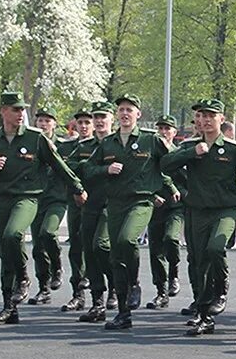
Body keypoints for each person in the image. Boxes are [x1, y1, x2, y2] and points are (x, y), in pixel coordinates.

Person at [161, 98, 236, 337]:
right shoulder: (189, 145)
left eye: (211, 115)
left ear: (221, 119)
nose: (205, 120)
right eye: (201, 116)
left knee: (215, 248)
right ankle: (203, 313)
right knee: (198, 260)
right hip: (197, 210)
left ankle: (221, 290)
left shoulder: (233, 148)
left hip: (225, 209)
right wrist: (192, 153)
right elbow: (165, 165)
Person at [0, 92, 86, 326]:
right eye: (15, 109)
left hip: (27, 198)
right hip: (1, 198)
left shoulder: (35, 138)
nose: (20, 114)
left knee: (12, 234)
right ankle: (9, 307)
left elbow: (58, 165)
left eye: (22, 109)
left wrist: (77, 187)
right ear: (3, 111)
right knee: (6, 250)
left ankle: (24, 276)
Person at [83, 95, 176, 330]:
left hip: (142, 201)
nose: (125, 113)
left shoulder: (150, 139)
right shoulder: (108, 143)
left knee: (127, 239)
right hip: (115, 203)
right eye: (121, 109)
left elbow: (169, 164)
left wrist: (173, 188)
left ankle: (134, 284)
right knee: (116, 257)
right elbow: (88, 169)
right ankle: (124, 313)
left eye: (129, 110)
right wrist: (106, 169)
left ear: (138, 114)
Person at [72, 102, 115, 322]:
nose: (99, 121)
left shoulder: (118, 144)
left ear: (111, 119)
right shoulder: (84, 146)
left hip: (112, 204)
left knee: (101, 245)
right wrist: (76, 189)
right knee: (88, 249)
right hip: (89, 204)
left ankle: (115, 282)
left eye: (103, 117)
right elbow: (71, 168)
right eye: (96, 117)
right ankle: (98, 301)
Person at [26, 108, 68, 305]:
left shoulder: (65, 146)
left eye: (47, 121)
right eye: (40, 120)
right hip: (36, 198)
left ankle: (57, 265)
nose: (43, 124)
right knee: (37, 246)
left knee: (48, 232)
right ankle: (43, 288)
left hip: (57, 198)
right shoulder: (30, 144)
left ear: (54, 124)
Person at [147, 114, 187, 309]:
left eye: (167, 129)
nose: (163, 132)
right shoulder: (150, 154)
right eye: (160, 128)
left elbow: (188, 179)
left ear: (174, 132)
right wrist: (151, 195)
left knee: (171, 238)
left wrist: (182, 195)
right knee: (155, 249)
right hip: (156, 205)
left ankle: (174, 273)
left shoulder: (180, 154)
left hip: (176, 206)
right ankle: (161, 291)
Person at [59, 108, 93, 312]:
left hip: (98, 200)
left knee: (99, 246)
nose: (84, 126)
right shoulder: (68, 147)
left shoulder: (102, 145)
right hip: (75, 200)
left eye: (87, 122)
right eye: (80, 122)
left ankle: (110, 291)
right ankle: (77, 294)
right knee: (76, 246)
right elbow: (64, 169)